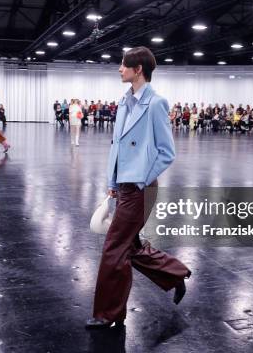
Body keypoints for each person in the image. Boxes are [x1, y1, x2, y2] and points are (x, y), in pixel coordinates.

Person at [86, 46, 191, 330]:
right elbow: (118, 146)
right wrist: (113, 183)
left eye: (123, 65)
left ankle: (108, 313)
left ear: (138, 69)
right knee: (128, 247)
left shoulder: (156, 103)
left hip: (141, 188)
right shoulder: (124, 102)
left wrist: (141, 179)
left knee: (114, 248)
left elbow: (167, 152)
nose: (119, 69)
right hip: (124, 186)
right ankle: (175, 274)